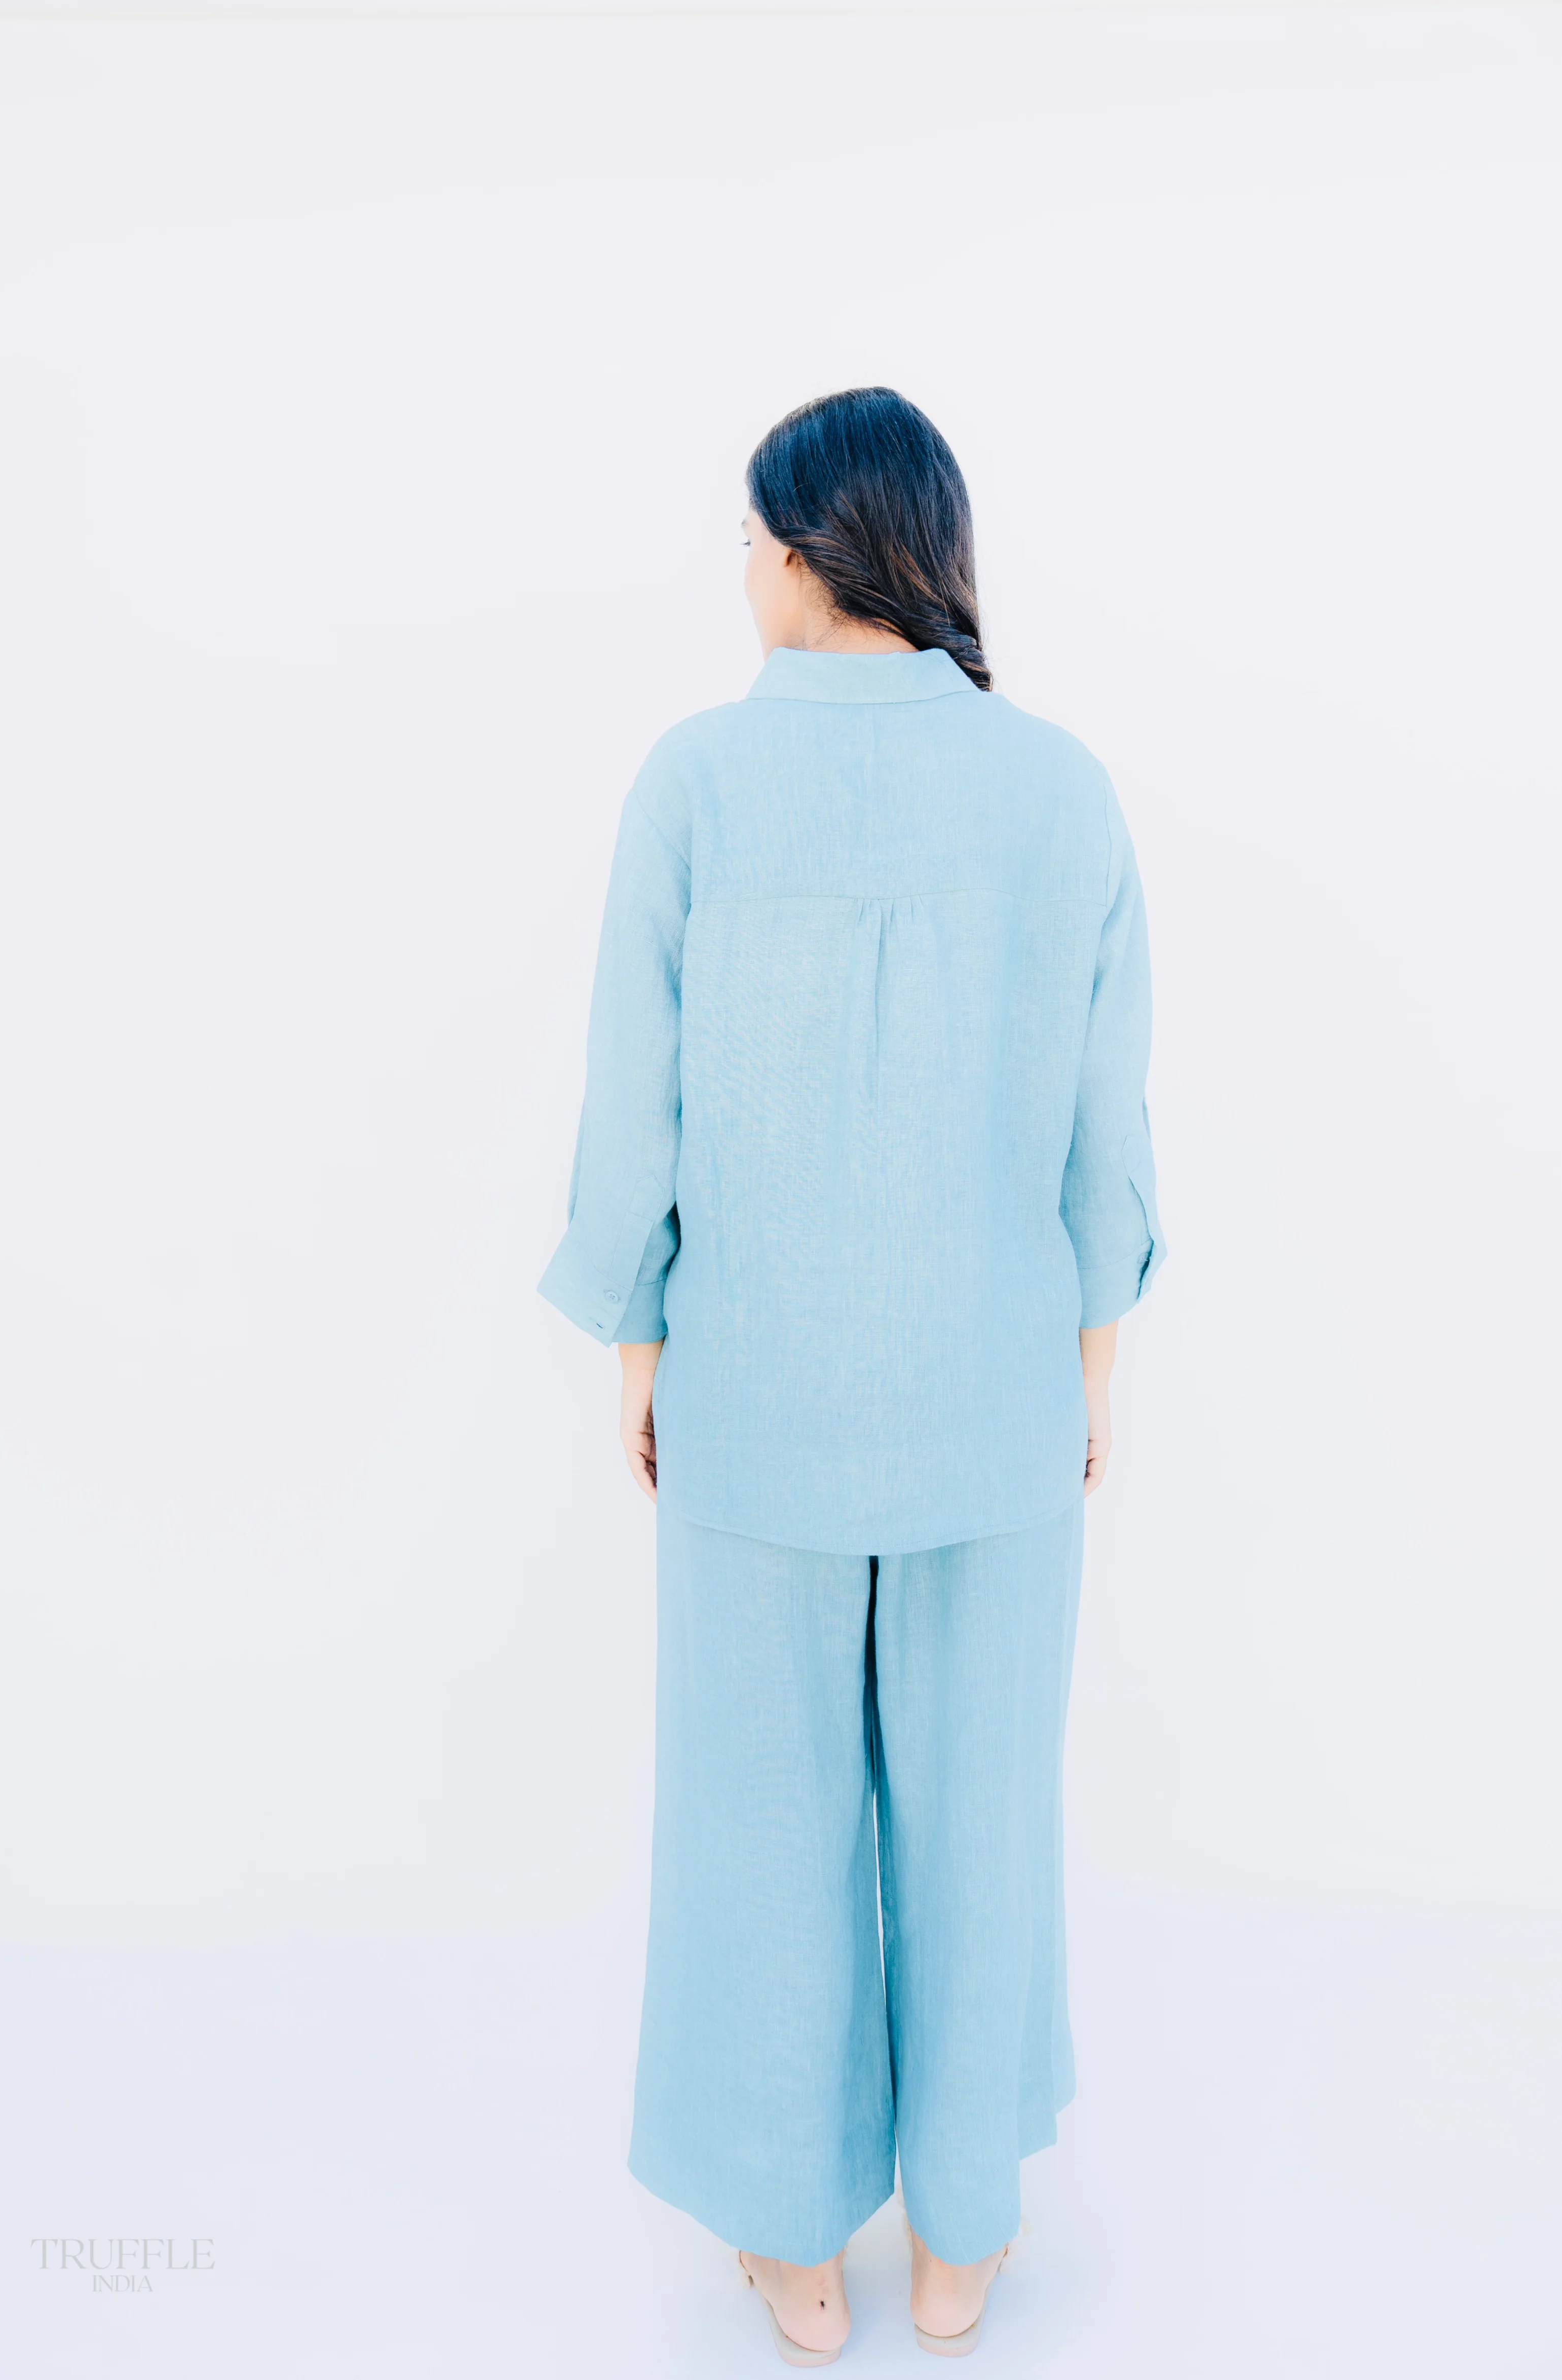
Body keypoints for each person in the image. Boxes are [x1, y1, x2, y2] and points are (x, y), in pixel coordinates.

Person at [539, 387, 1164, 2363]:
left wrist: (639, 1336)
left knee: (764, 1814)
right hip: (995, 1400)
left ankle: (795, 2244)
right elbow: (1106, 1135)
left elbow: (632, 1106)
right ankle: (964, 2237)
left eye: (749, 538)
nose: (741, 571)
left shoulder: (697, 784)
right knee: (985, 1814)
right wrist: (1091, 1360)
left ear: (816, 553)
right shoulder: (1059, 789)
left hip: (758, 1400)